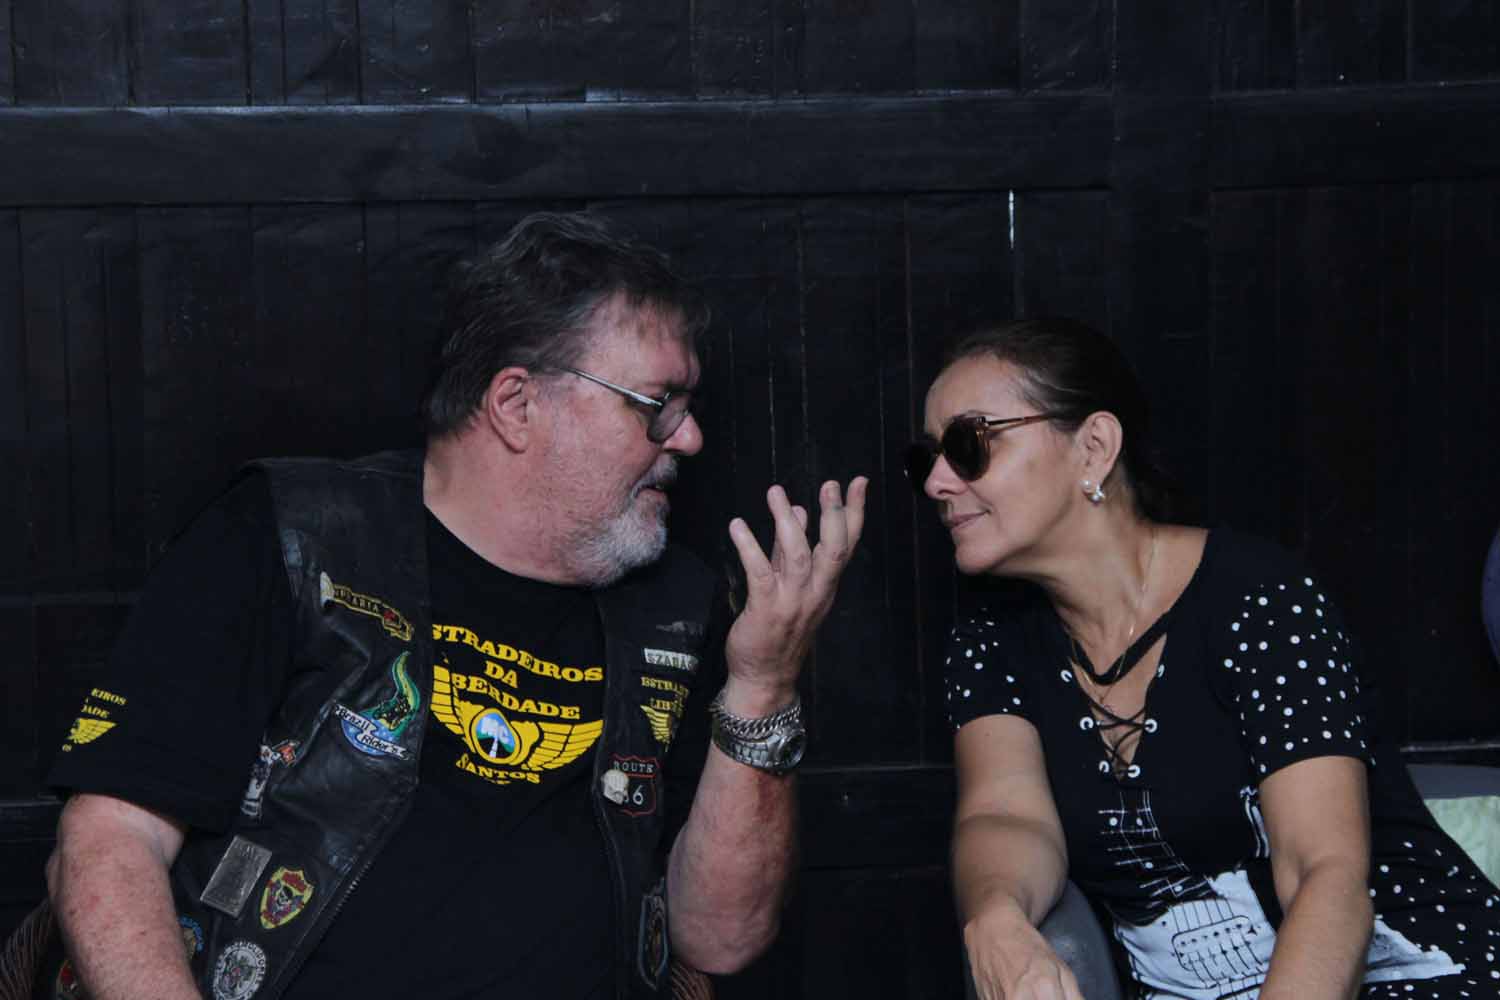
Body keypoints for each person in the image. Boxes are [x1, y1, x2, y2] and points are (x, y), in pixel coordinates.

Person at [38, 212, 868, 1000]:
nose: (687, 438)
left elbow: (720, 938)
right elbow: (110, 839)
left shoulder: (677, 608)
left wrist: (763, 687)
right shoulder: (289, 538)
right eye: (657, 406)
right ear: (516, 405)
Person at [910, 317, 1499, 1000]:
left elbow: (1325, 875)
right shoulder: (990, 637)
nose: (937, 483)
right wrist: (995, 916)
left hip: (1413, 974)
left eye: (969, 445)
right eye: (926, 458)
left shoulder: (1259, 597)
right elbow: (1005, 815)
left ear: (1093, 448)